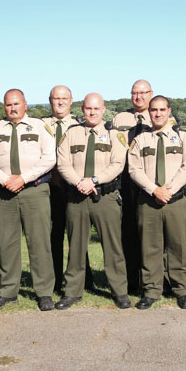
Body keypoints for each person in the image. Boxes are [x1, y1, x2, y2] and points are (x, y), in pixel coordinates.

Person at [0, 89, 57, 311]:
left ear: (25, 104)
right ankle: (8, 292)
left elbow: (49, 158)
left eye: (16, 104)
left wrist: (23, 178)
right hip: (6, 193)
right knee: (6, 243)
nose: (12, 108)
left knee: (39, 243)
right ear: (3, 107)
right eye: (8, 105)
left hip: (34, 191)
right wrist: (5, 180)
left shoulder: (40, 127)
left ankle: (44, 293)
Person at [55, 93, 131, 310]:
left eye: (96, 109)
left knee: (113, 246)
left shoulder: (114, 135)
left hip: (105, 196)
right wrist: (80, 182)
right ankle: (72, 292)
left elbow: (118, 163)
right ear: (82, 109)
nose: (92, 112)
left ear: (103, 109)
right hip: (77, 196)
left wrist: (95, 180)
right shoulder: (71, 134)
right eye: (88, 108)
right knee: (76, 246)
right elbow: (63, 163)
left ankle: (119, 291)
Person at [127, 95, 186, 309]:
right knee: (150, 247)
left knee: (178, 246)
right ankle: (152, 290)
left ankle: (181, 289)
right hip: (148, 200)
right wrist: (154, 189)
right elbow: (134, 169)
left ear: (169, 111)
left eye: (162, 110)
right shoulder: (140, 140)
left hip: (175, 200)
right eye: (154, 110)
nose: (157, 114)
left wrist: (169, 189)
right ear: (149, 112)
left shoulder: (183, 137)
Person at [112, 79, 177, 294]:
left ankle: (163, 279)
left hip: (154, 180)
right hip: (127, 179)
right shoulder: (120, 118)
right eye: (134, 93)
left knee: (159, 235)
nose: (138, 97)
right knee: (130, 230)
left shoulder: (162, 117)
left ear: (151, 93)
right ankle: (133, 279)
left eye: (143, 93)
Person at [42, 85, 98, 294]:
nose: (60, 102)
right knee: (52, 236)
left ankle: (85, 279)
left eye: (64, 98)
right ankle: (54, 281)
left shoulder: (81, 125)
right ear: (50, 100)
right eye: (56, 98)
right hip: (48, 187)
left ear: (71, 101)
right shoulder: (41, 125)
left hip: (74, 187)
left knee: (78, 237)